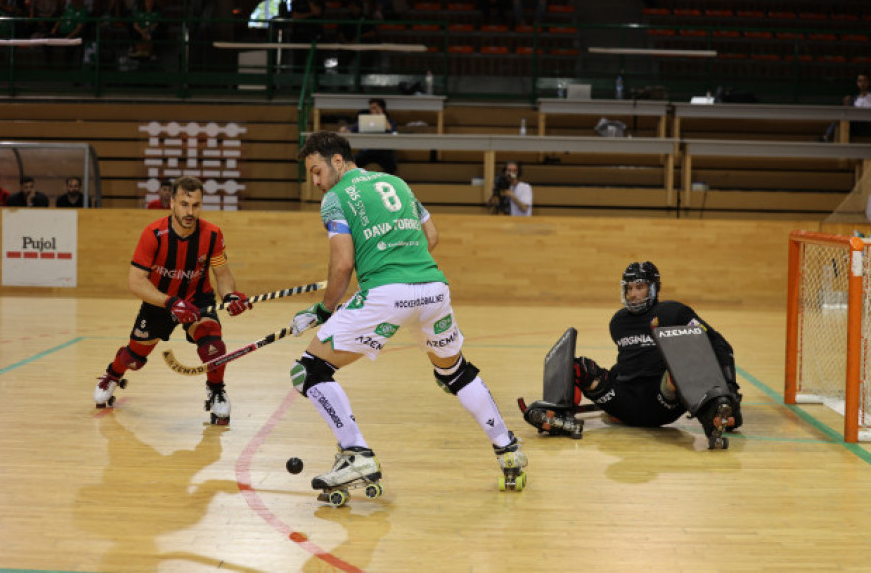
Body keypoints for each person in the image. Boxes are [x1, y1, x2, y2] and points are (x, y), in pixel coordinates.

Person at [288, 131, 528, 496]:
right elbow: (430, 237)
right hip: (433, 289)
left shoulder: (335, 199)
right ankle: (508, 449)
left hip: (387, 294)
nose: (317, 182)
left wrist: (324, 309)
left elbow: (342, 266)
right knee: (454, 372)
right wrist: (391, 254)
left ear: (338, 161)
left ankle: (356, 454)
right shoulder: (396, 183)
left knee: (309, 370)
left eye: (317, 171)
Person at [92, 176, 253, 425]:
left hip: (198, 299)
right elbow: (135, 282)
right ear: (172, 203)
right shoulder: (153, 234)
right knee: (134, 359)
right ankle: (113, 374)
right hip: (160, 301)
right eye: (184, 204)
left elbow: (222, 275)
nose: (190, 212)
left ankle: (216, 389)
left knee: (213, 344)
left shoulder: (212, 235)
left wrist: (230, 295)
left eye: (196, 205)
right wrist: (170, 303)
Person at [529, 261, 742, 447]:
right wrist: (601, 378)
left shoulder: (674, 312)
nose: (632, 294)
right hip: (624, 402)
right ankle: (558, 417)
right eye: (629, 288)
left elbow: (717, 343)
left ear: (653, 289)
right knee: (579, 367)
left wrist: (730, 391)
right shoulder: (618, 322)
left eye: (639, 287)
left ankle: (717, 413)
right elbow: (629, 362)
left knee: (683, 362)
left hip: (663, 401)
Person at [339, 97, 398, 175]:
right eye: (371, 108)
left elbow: (392, 131)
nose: (372, 110)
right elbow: (353, 129)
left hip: (384, 151)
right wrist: (345, 129)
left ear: (382, 108)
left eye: (374, 108)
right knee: (353, 162)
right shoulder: (365, 120)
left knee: (391, 164)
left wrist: (381, 116)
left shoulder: (389, 121)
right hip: (367, 151)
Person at [821, 73, 871, 142]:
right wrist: (846, 105)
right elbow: (850, 112)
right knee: (840, 120)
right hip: (855, 124)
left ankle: (826, 136)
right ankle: (830, 140)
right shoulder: (855, 98)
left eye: (865, 81)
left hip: (866, 124)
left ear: (868, 82)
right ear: (857, 83)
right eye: (860, 81)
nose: (862, 83)